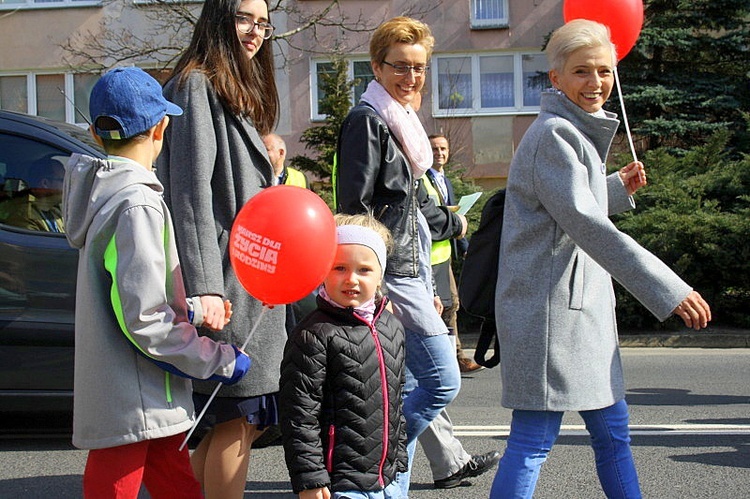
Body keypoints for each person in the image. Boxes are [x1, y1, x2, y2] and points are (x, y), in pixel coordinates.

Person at [490, 19, 712, 499]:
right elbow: (588, 226)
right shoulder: (554, 135)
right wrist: (671, 289)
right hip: (549, 314)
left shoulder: (567, 130)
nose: (596, 84)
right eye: (582, 72)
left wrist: (614, 187)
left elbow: (566, 208)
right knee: (534, 440)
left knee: (613, 435)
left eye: (605, 72)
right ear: (556, 79)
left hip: (574, 312)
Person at [61, 66, 250, 498]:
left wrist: (194, 310)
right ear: (161, 127)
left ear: (95, 133)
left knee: (179, 486)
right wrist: (217, 360)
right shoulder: (137, 203)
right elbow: (146, 320)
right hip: (137, 397)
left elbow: (131, 293)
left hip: (143, 395)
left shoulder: (108, 195)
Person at [155, 1, 287, 497]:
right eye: (244, 18)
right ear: (217, 17)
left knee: (226, 421)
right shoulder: (196, 84)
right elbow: (190, 194)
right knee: (234, 416)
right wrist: (207, 287)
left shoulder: (225, 87)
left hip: (245, 274)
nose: (256, 31)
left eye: (263, 22)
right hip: (226, 281)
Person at [335, 16, 468, 496]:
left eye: (419, 68)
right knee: (442, 381)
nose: (411, 78)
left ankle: (387, 488)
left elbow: (412, 218)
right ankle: (372, 469)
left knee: (406, 391)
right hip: (389, 280)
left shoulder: (403, 126)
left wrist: (431, 289)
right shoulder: (367, 121)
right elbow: (355, 212)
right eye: (400, 67)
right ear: (377, 66)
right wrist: (377, 289)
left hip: (412, 277)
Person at [279, 213, 406, 499]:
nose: (351, 279)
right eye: (339, 268)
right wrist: (310, 479)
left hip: (388, 479)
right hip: (341, 482)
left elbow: (395, 402)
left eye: (364, 269)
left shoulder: (392, 327)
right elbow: (299, 415)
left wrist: (398, 461)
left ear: (380, 274)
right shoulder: (313, 334)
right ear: (323, 270)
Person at [424, 133, 480, 373]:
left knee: (451, 304)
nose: (440, 153)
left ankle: (455, 357)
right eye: (435, 149)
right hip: (427, 256)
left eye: (443, 149)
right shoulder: (423, 178)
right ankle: (445, 359)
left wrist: (465, 247)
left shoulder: (445, 181)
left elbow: (454, 219)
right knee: (439, 307)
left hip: (443, 255)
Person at [0, 154, 66, 232]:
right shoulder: (25, 215)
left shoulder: (55, 212)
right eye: (63, 181)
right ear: (45, 183)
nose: (67, 186)